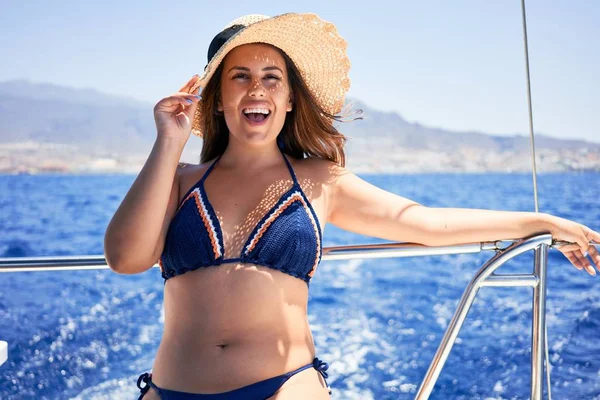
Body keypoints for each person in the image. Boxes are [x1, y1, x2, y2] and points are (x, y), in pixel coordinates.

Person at [103, 12, 600, 400]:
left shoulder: (323, 181)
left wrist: (540, 221)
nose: (257, 88)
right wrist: (170, 142)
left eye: (272, 77)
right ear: (216, 98)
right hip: (174, 391)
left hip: (282, 388)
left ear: (292, 98)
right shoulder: (178, 181)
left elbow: (426, 223)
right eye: (239, 76)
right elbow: (125, 259)